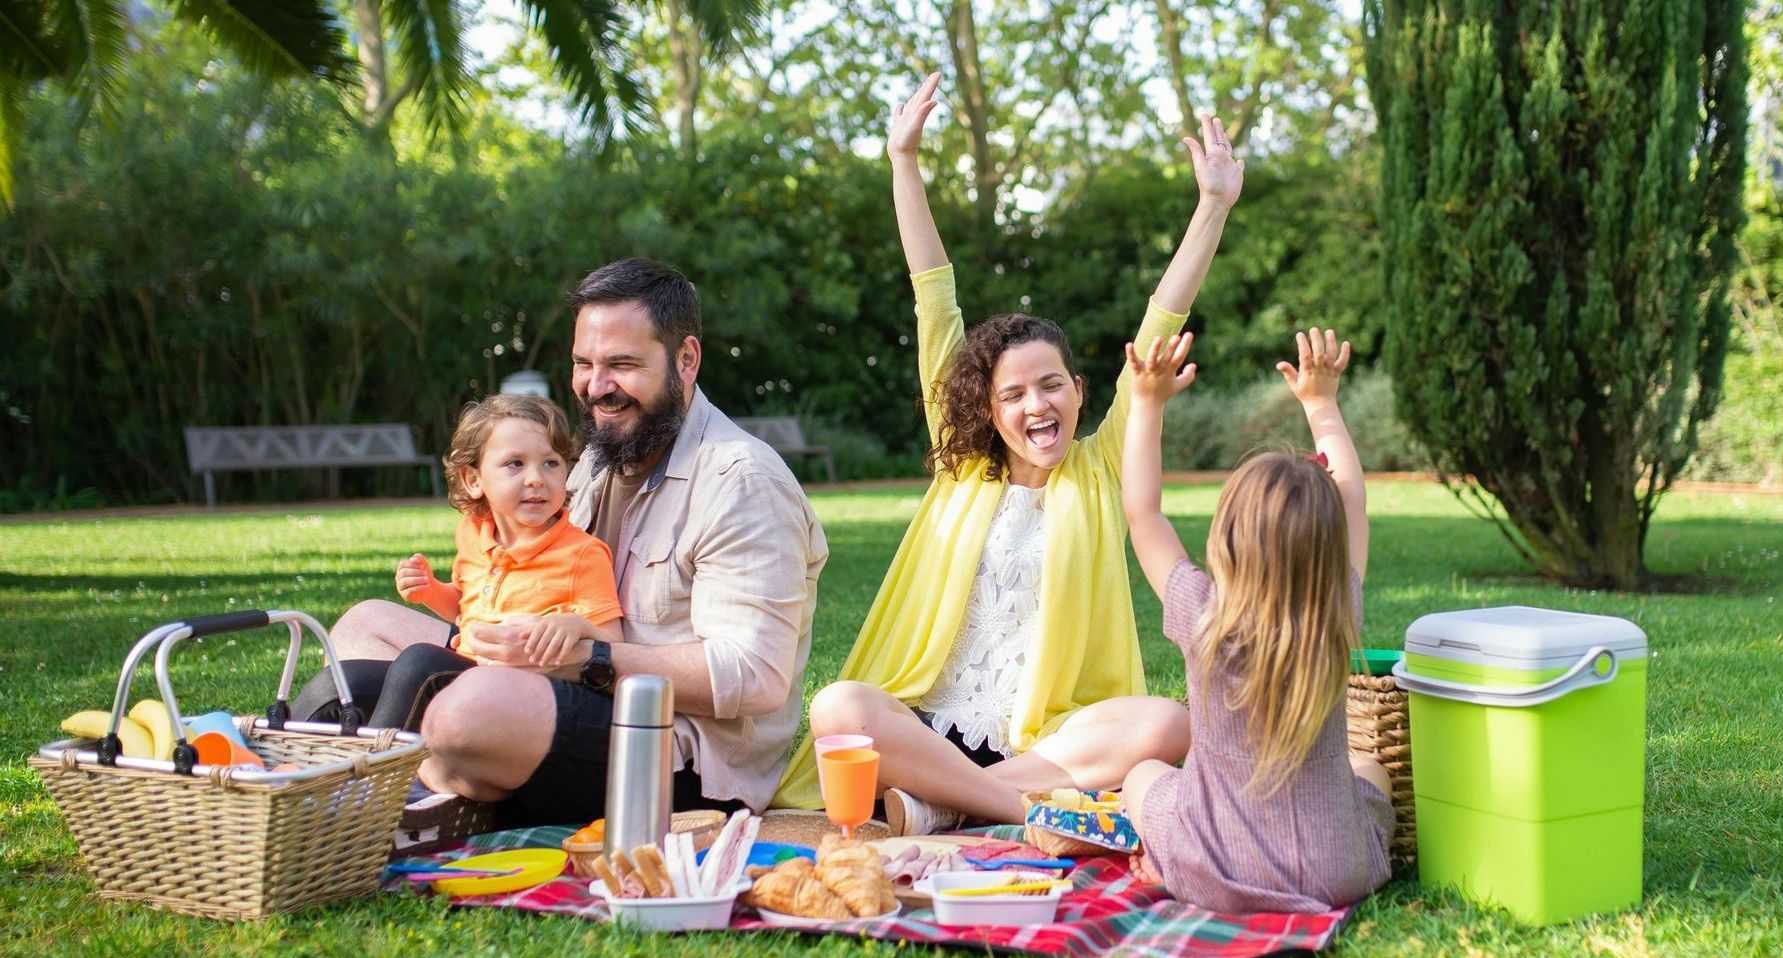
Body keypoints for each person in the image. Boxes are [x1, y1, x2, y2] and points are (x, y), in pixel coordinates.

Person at [773, 71, 1242, 833]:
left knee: (1165, 723)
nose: (1036, 405)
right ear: (987, 411)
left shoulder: (1100, 469)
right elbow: (934, 295)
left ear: (1081, 392)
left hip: (1046, 743)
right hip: (928, 725)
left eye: (1051, 386)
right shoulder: (962, 464)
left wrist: (1212, 206)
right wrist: (903, 162)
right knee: (839, 706)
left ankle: (936, 806)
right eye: (1014, 395)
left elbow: (1162, 321)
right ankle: (1016, 810)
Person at [298, 258, 827, 831]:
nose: (597, 387)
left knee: (463, 711)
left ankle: (406, 795)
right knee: (364, 626)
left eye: (622, 365)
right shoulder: (599, 457)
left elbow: (755, 676)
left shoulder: (741, 481)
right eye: (584, 364)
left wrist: (589, 660)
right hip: (553, 677)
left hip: (673, 752)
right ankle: (347, 780)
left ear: (686, 359)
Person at [1118, 327, 1393, 914]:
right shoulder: (1335, 608)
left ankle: (1160, 858)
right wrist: (1321, 404)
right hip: (1333, 872)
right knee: (1368, 767)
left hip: (1211, 868)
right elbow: (1353, 502)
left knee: (1142, 775)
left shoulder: (1202, 613)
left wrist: (1146, 404)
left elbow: (1143, 516)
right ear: (1328, 547)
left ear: (1228, 539)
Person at [340, 394, 625, 734]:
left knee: (420, 663)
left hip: (525, 696)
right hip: (468, 671)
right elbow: (465, 608)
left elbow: (613, 640)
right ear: (473, 480)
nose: (536, 478)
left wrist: (574, 626)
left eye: (551, 463)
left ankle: (370, 775)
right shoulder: (473, 533)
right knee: (349, 679)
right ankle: (288, 767)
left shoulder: (581, 554)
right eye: (515, 464)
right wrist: (430, 591)